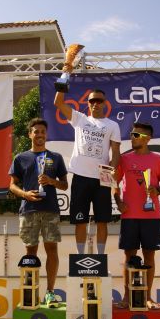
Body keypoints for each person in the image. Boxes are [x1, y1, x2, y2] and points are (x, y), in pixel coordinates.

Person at [9, 117, 68, 308]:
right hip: (29, 210)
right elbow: (11, 185)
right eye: (36, 131)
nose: (39, 134)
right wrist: (25, 194)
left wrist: (52, 182)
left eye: (42, 131)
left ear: (46, 134)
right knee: (30, 252)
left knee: (52, 250)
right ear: (30, 134)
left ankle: (50, 292)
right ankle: (31, 292)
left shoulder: (56, 157)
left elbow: (65, 185)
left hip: (50, 210)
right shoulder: (20, 158)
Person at [54, 89, 121, 254]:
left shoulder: (112, 125)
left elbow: (116, 152)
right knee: (80, 220)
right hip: (80, 176)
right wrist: (66, 74)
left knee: (102, 221)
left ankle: (100, 257)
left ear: (105, 103)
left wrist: (109, 173)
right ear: (88, 103)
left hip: (102, 177)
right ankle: (80, 257)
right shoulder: (79, 119)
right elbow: (58, 102)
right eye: (92, 101)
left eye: (99, 100)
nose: (95, 104)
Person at [114, 122, 160, 310]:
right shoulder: (124, 159)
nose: (132, 137)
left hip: (151, 216)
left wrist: (157, 191)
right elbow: (114, 183)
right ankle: (126, 296)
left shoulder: (158, 160)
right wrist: (118, 202)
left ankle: (147, 297)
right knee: (129, 256)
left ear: (147, 138)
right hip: (129, 216)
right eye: (131, 134)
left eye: (136, 135)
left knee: (149, 257)